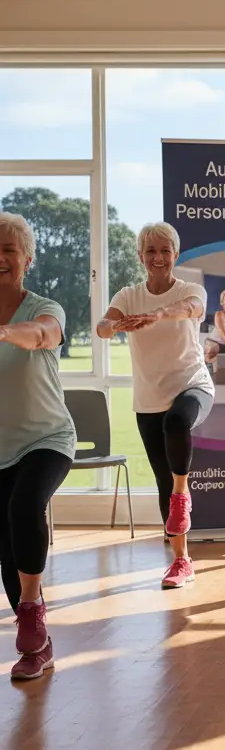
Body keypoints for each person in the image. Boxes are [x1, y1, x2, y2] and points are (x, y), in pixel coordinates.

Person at [98, 222, 214, 590]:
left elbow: (191, 308)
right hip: (148, 400)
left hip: (193, 385)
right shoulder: (128, 295)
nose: (158, 257)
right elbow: (102, 325)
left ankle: (182, 494)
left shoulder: (190, 289)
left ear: (176, 255)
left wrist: (158, 314)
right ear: (140, 256)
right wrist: (113, 326)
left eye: (165, 251)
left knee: (177, 422)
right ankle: (181, 561)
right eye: (151, 251)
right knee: (163, 479)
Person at [0, 213, 76, 680]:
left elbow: (45, 333)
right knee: (7, 547)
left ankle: (31, 608)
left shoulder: (45, 307)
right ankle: (38, 643)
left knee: (24, 506)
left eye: (9, 250)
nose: (0, 258)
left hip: (48, 439)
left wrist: (6, 332)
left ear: (27, 260)